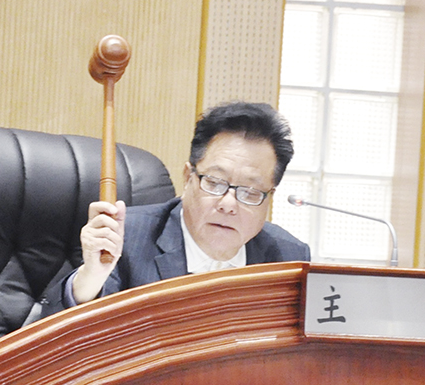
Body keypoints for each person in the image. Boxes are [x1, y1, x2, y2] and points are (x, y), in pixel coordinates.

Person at [44, 101, 310, 314]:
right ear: (187, 177)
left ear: (269, 197)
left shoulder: (288, 259)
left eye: (250, 192)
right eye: (215, 182)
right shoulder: (126, 239)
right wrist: (90, 278)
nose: (229, 204)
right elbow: (53, 338)